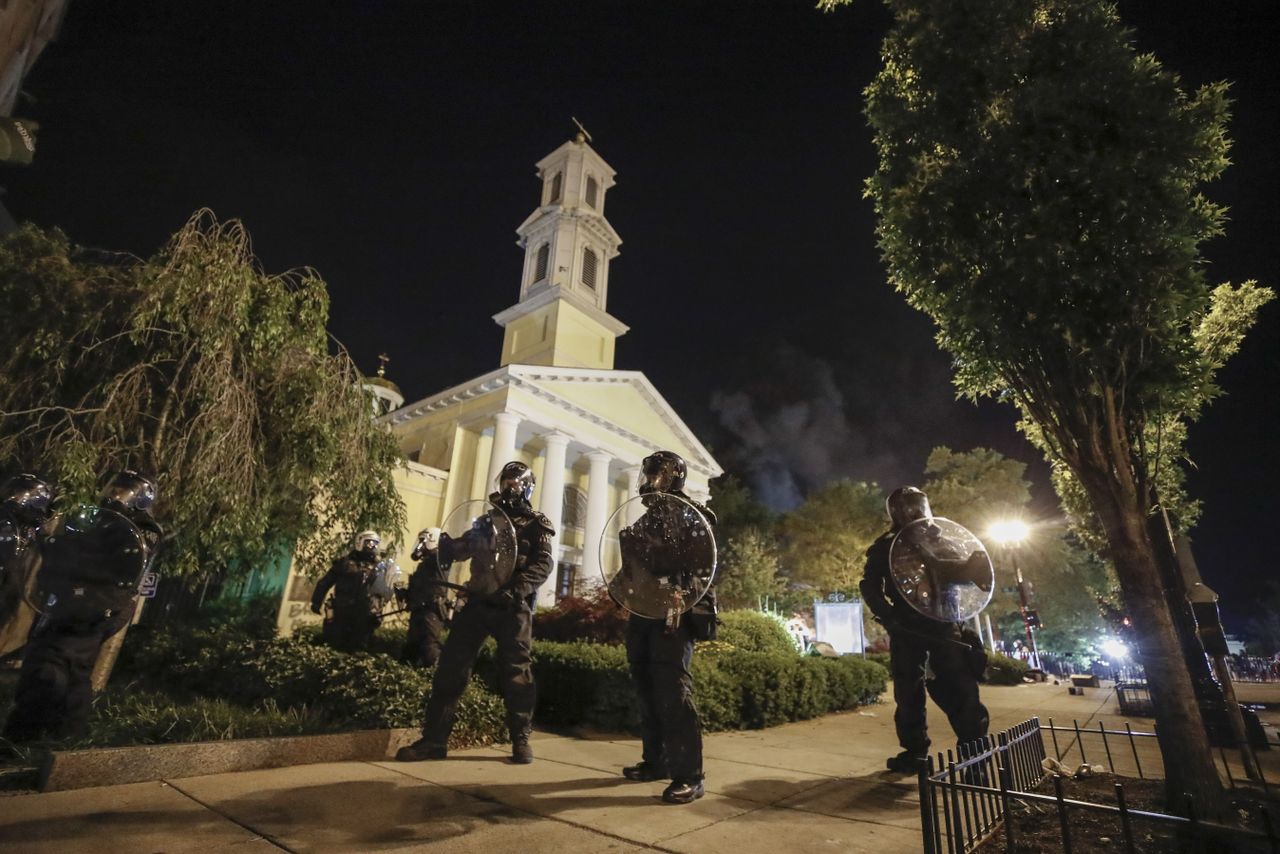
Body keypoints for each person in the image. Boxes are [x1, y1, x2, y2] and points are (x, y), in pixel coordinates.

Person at [396, 461, 555, 764]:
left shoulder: (537, 524)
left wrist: (518, 588)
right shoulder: (486, 521)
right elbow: (462, 548)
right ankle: (433, 741)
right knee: (450, 669)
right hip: (478, 601)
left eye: (515, 483)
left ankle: (520, 739)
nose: (510, 487)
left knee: (518, 673)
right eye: (506, 481)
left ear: (527, 487)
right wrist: (444, 546)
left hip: (512, 606)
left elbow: (543, 565)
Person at [3, 469, 162, 744]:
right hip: (68, 602)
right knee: (62, 668)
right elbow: (68, 549)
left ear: (140, 497)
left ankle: (31, 737)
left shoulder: (142, 529)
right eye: (114, 488)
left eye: (123, 490)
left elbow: (116, 565)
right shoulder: (95, 520)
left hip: (96, 607)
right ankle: (55, 737)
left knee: (55, 665)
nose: (114, 494)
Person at [860, 486, 989, 774]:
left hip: (945, 624)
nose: (911, 511)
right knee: (908, 694)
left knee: (962, 691)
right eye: (904, 507)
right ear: (894, 512)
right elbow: (870, 586)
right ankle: (914, 753)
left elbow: (965, 578)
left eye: (916, 505)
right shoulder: (886, 546)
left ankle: (975, 759)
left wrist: (973, 569)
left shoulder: (945, 543)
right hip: (906, 626)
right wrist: (888, 615)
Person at [618, 450, 717, 805]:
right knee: (646, 688)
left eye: (657, 473)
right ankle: (655, 760)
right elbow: (635, 569)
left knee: (673, 693)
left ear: (673, 476)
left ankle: (690, 774)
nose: (649, 480)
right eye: (648, 473)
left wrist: (668, 575)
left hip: (674, 614)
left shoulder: (693, 515)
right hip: (644, 612)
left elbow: (701, 565)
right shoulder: (646, 521)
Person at [0, 473, 53, 638]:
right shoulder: (6, 515)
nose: (17, 498)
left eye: (23, 493)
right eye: (16, 492)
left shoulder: (31, 525)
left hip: (13, 571)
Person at [311, 530, 382, 653]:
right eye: (369, 543)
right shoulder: (344, 563)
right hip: (342, 609)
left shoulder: (377, 568)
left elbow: (380, 593)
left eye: (375, 544)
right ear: (360, 542)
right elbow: (325, 582)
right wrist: (316, 602)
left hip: (363, 613)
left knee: (359, 647)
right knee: (336, 644)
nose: (372, 547)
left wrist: (378, 612)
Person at [399, 527, 449, 667]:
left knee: (430, 646)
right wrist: (406, 594)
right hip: (419, 610)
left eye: (423, 540)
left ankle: (433, 676)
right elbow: (420, 587)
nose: (420, 544)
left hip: (430, 611)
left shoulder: (439, 559)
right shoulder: (424, 565)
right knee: (411, 647)